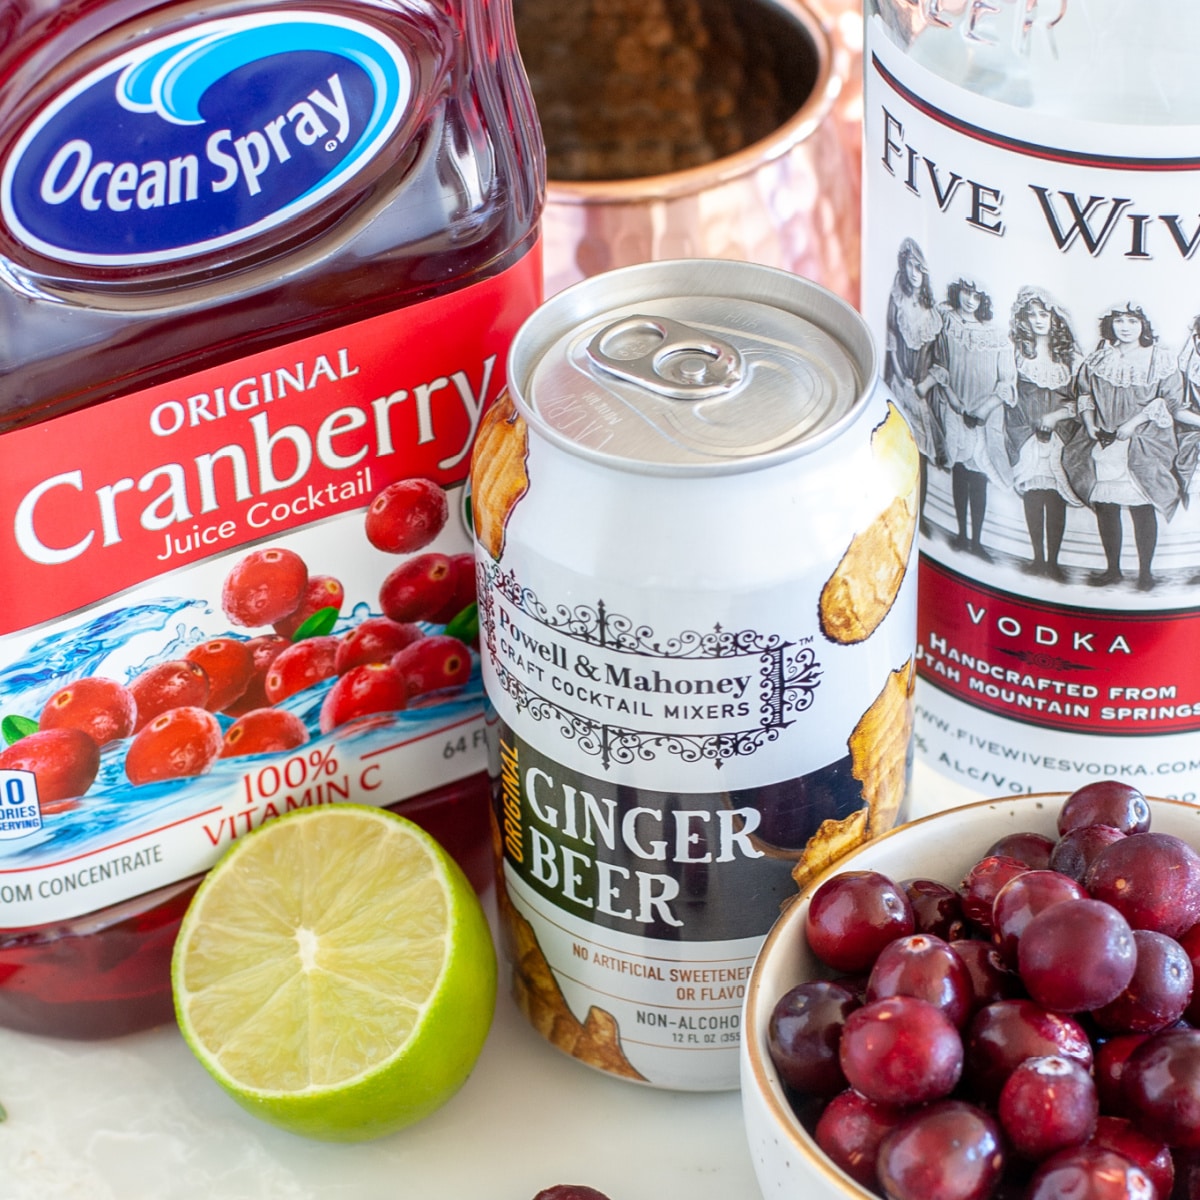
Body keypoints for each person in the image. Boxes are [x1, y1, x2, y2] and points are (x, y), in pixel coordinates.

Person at [1062, 303, 1182, 590]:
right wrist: (1090, 424)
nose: (1125, 327)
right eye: (1119, 321)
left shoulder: (1158, 358)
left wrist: (1134, 424)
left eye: (1132, 321)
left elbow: (1167, 401)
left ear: (1144, 325)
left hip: (1142, 443)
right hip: (1105, 440)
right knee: (1106, 505)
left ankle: (1145, 574)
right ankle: (1113, 569)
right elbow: (1086, 394)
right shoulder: (1100, 358)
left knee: (1142, 505)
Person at [930, 276, 1015, 560]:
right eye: (966, 293)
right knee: (960, 474)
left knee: (979, 478)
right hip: (956, 409)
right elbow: (940, 367)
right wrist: (956, 404)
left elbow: (1006, 383)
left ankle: (976, 540)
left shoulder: (996, 336)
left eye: (976, 297)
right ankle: (961, 535)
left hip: (983, 417)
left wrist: (982, 411)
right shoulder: (948, 324)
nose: (970, 300)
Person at [1006, 286, 1083, 581]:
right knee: (1034, 493)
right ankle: (1037, 558)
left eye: (1044, 314)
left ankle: (1054, 560)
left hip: (1060, 433)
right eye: (1032, 315)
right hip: (1026, 432)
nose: (1039, 320)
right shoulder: (1018, 352)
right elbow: (1011, 391)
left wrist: (1056, 417)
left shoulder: (1070, 357)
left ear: (1055, 317)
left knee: (1055, 496)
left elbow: (1082, 400)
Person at [883, 239, 943, 533]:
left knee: (921, 453)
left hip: (922, 391)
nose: (914, 273)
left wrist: (924, 385)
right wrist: (897, 378)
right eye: (910, 265)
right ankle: (894, 515)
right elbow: (891, 343)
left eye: (920, 267)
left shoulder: (934, 311)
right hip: (899, 381)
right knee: (895, 446)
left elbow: (937, 358)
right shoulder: (897, 300)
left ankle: (919, 517)